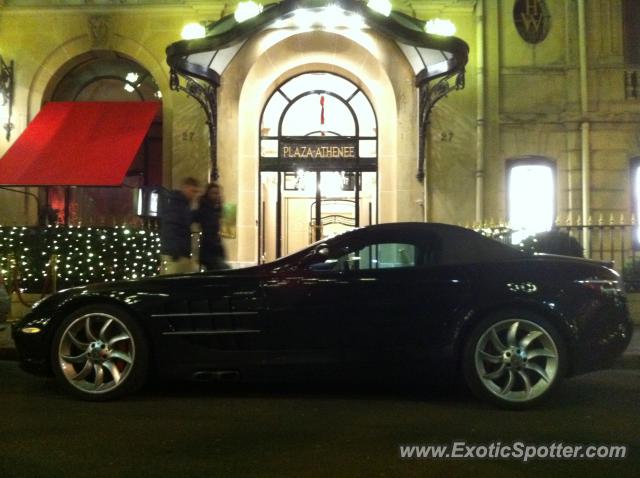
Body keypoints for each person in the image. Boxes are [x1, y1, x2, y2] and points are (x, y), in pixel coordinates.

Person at [159, 177, 200, 275]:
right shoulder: (177, 205)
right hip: (176, 256)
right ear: (185, 188)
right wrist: (176, 253)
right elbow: (172, 228)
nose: (194, 195)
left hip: (177, 255)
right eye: (193, 191)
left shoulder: (182, 205)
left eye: (196, 192)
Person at [195, 183, 228, 271]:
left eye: (218, 193)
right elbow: (209, 231)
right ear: (208, 194)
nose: (217, 196)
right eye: (214, 193)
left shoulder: (215, 209)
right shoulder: (206, 209)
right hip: (210, 251)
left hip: (214, 251)